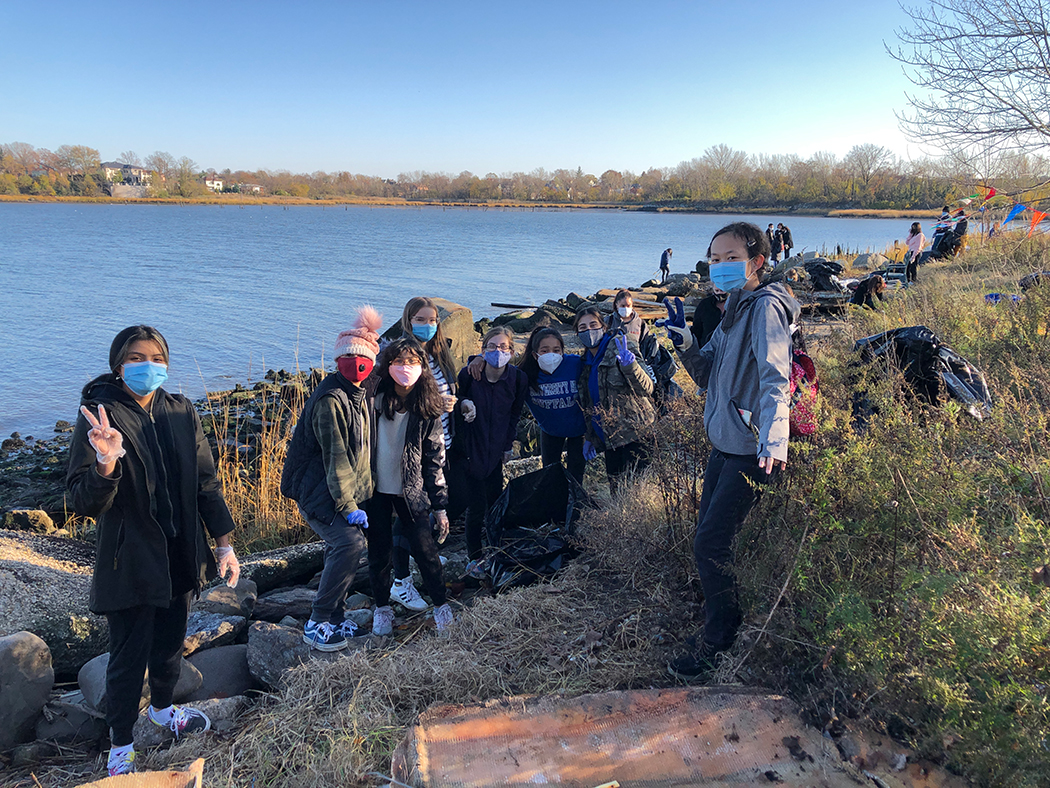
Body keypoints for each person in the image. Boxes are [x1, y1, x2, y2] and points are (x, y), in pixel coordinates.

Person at [67, 325, 240, 776]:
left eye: (157, 358)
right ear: (118, 365)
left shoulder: (181, 409)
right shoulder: (99, 415)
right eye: (137, 358)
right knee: (127, 657)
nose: (149, 366)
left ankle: (163, 711)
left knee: (169, 643)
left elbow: (206, 482)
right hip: (130, 558)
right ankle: (121, 747)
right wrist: (106, 463)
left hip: (181, 550)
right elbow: (82, 501)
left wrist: (223, 544)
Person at [658, 221, 799, 679]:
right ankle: (720, 621)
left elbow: (777, 378)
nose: (720, 266)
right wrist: (685, 343)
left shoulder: (765, 308)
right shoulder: (734, 309)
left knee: (711, 542)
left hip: (751, 450)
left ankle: (719, 640)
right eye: (715, 259)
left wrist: (774, 439)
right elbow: (706, 373)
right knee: (710, 539)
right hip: (724, 445)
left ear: (757, 261)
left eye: (731, 258)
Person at [280, 308, 381, 652]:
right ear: (338, 360)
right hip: (318, 489)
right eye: (348, 357)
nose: (356, 363)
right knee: (349, 544)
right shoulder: (331, 400)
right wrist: (349, 506)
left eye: (362, 358)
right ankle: (318, 620)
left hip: (339, 490)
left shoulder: (359, 392)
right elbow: (336, 457)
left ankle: (336, 617)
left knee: (340, 546)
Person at [367, 337, 454, 635]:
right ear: (388, 365)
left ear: (422, 367)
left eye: (413, 362)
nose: (406, 368)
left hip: (411, 490)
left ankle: (441, 606)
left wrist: (440, 507)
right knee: (379, 554)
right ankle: (382, 609)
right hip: (375, 490)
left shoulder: (428, 408)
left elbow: (435, 459)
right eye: (399, 361)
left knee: (426, 551)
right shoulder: (374, 399)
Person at [387, 297, 460, 613]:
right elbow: (397, 401)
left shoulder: (440, 354)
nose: (427, 325)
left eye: (432, 320)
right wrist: (435, 404)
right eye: (420, 319)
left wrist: (459, 404)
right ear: (408, 320)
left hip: (443, 443)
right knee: (409, 516)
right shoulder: (403, 356)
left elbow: (450, 392)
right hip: (413, 451)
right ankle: (400, 581)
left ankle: (420, 558)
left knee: (424, 512)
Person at [454, 326, 528, 577]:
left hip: (496, 450)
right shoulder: (470, 374)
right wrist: (464, 403)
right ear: (483, 350)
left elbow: (515, 415)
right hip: (470, 450)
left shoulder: (517, 379)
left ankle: (496, 551)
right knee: (475, 507)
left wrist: (508, 446)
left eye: (504, 347)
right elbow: (455, 401)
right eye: (492, 346)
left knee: (495, 503)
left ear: (512, 351)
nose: (498, 351)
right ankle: (474, 558)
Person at [575, 305, 656, 494]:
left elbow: (647, 388)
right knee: (617, 493)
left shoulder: (622, 345)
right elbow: (590, 403)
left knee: (638, 494)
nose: (589, 331)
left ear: (603, 327)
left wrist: (631, 366)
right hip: (610, 439)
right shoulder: (585, 363)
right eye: (583, 328)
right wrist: (590, 437)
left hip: (636, 435)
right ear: (577, 333)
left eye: (593, 325)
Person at [517, 326, 586, 483]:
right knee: (550, 473)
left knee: (576, 474)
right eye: (544, 350)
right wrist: (477, 360)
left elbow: (597, 362)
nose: (551, 354)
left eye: (556, 350)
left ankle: (575, 498)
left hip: (579, 429)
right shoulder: (525, 374)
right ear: (535, 354)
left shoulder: (575, 363)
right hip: (550, 430)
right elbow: (500, 373)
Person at [607, 289, 678, 404]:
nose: (625, 308)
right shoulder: (609, 321)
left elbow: (647, 344)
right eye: (623, 306)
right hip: (613, 363)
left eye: (628, 305)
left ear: (632, 305)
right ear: (616, 305)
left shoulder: (639, 323)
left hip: (636, 365)